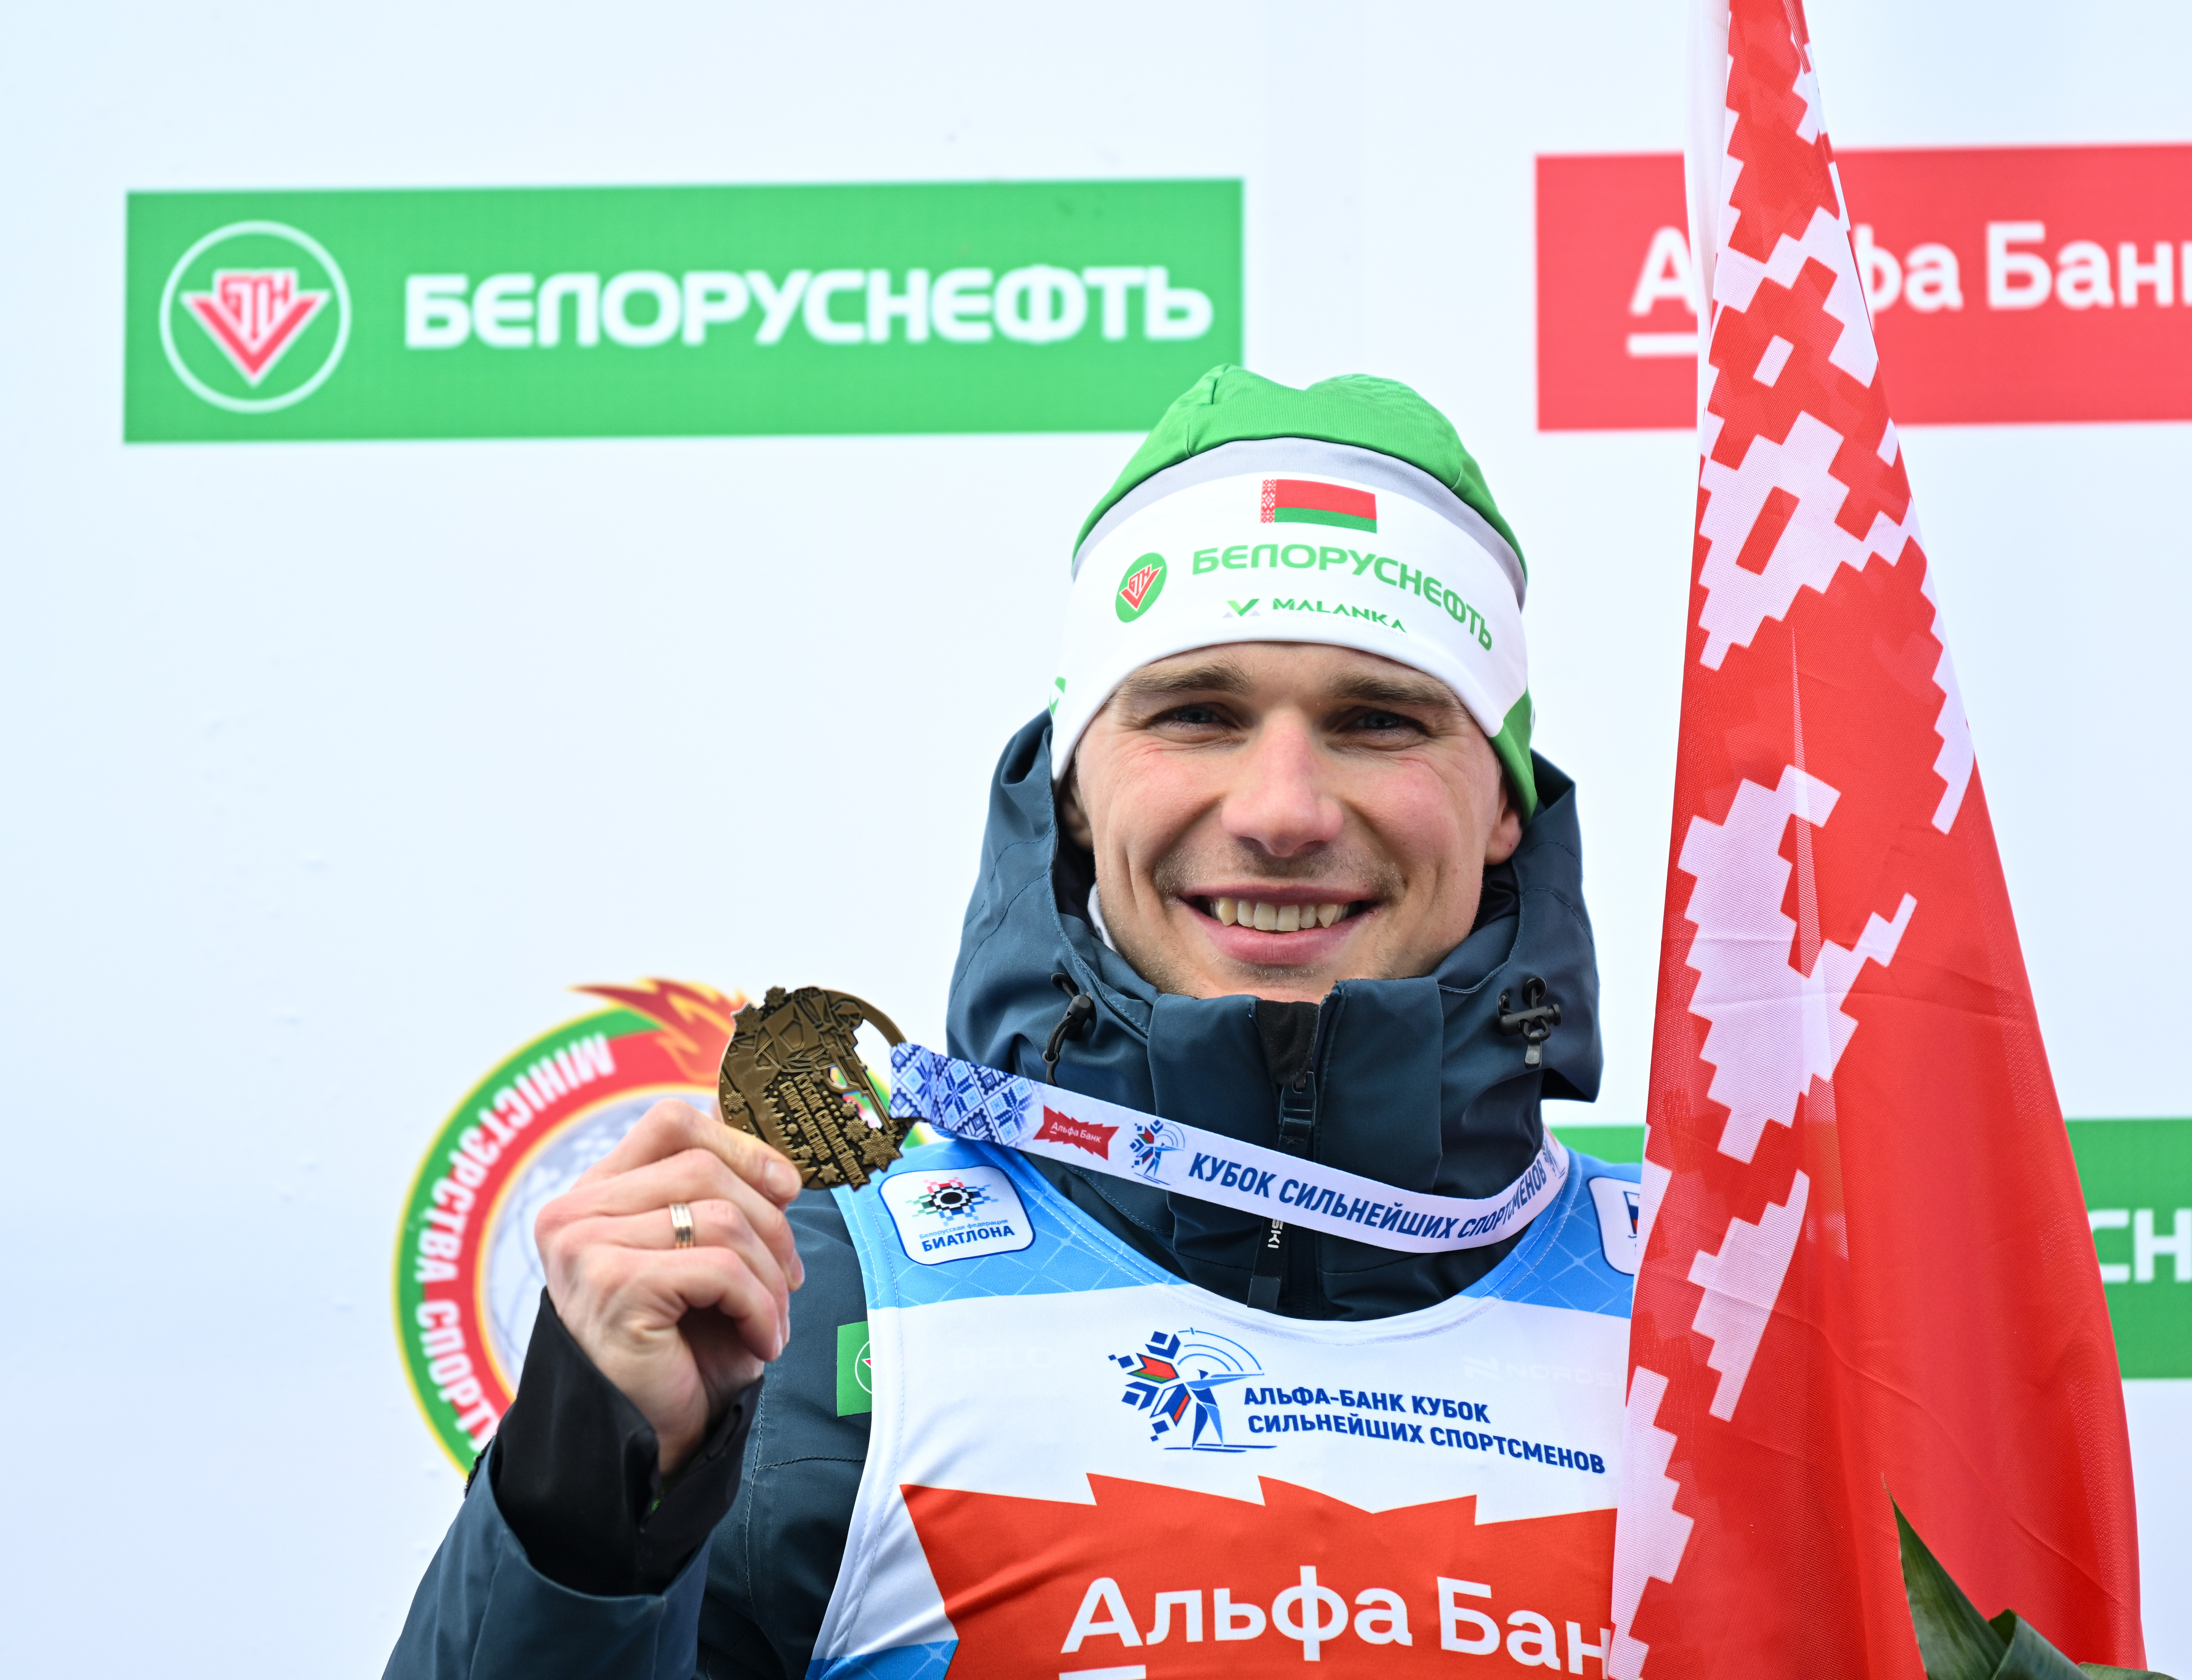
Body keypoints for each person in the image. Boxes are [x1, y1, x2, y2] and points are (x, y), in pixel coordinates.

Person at [386, 367, 1640, 1679]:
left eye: (1377, 720)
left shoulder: (1713, 1316)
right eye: (1196, 715)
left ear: (1504, 807)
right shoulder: (803, 1308)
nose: (1282, 810)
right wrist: (589, 1485)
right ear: (1074, 787)